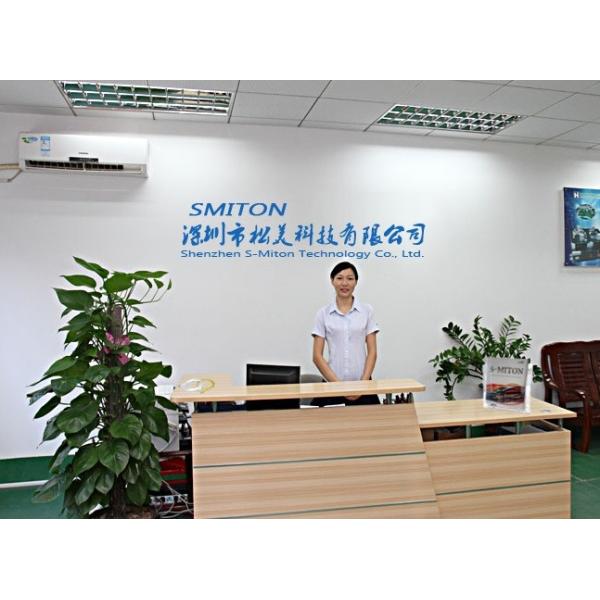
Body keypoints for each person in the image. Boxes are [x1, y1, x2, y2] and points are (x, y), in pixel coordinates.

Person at [311, 261, 380, 406]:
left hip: (363, 385)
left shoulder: (367, 311)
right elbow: (317, 356)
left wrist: (363, 384)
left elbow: (372, 352)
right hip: (332, 386)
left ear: (356, 282)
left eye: (350, 278)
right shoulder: (323, 313)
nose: (344, 283)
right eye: (339, 278)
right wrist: (339, 387)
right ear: (332, 281)